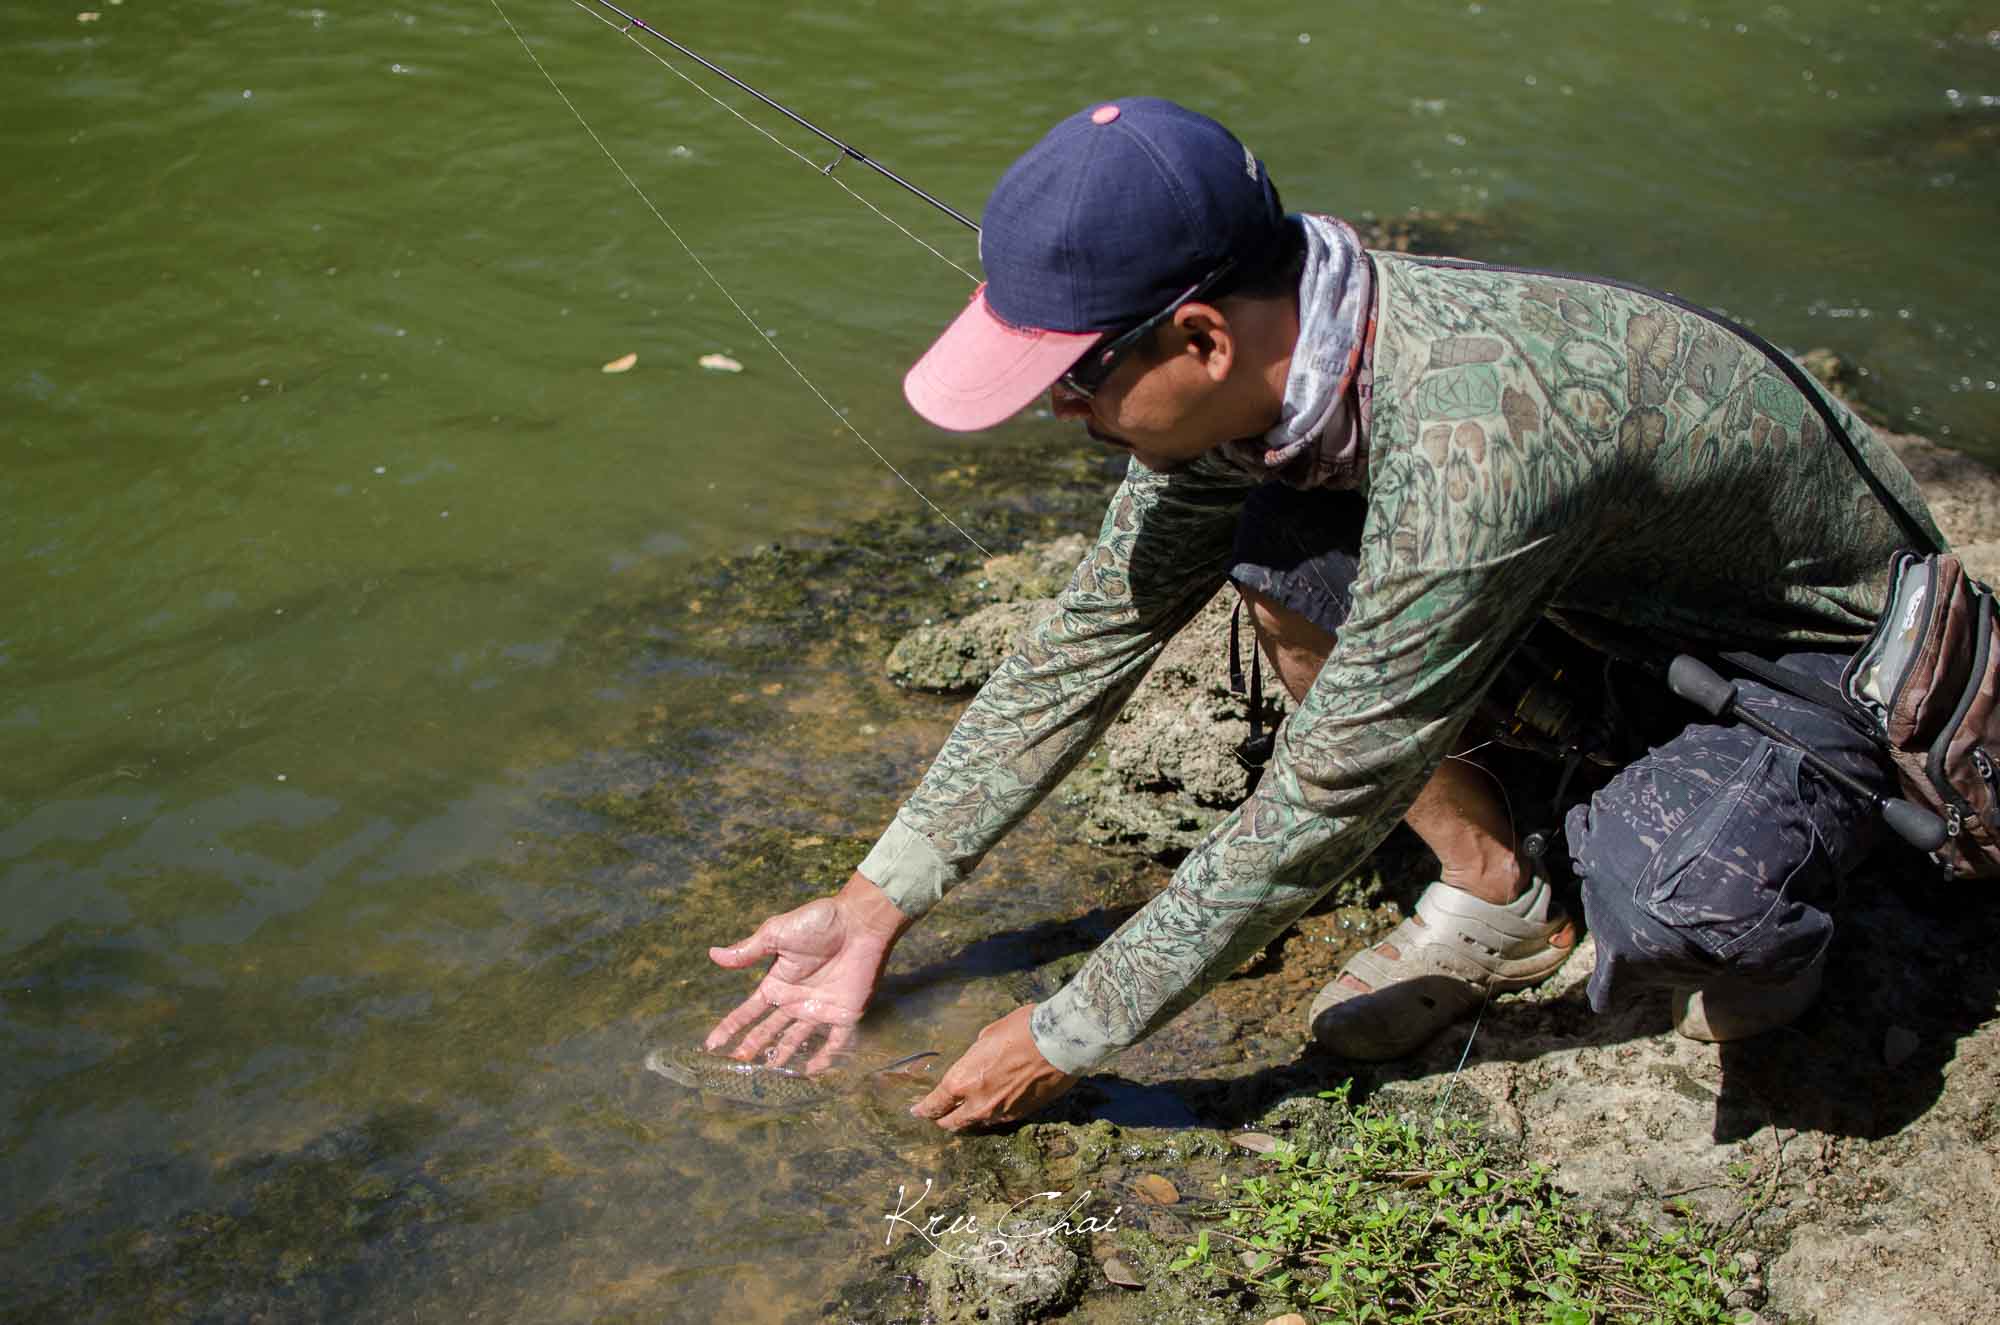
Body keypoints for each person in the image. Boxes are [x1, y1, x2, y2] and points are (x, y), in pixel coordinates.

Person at [702, 97, 1941, 1131]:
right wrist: (874, 901)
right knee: (1282, 560)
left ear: (1195, 335)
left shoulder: (1473, 439)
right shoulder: (1284, 361)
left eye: (1072, 380)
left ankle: (1780, 923)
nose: (1059, 418)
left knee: (1683, 909)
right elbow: (1090, 636)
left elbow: (1326, 789)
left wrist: (1064, 1030)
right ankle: (1496, 890)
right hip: (1607, 598)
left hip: (1809, 662)